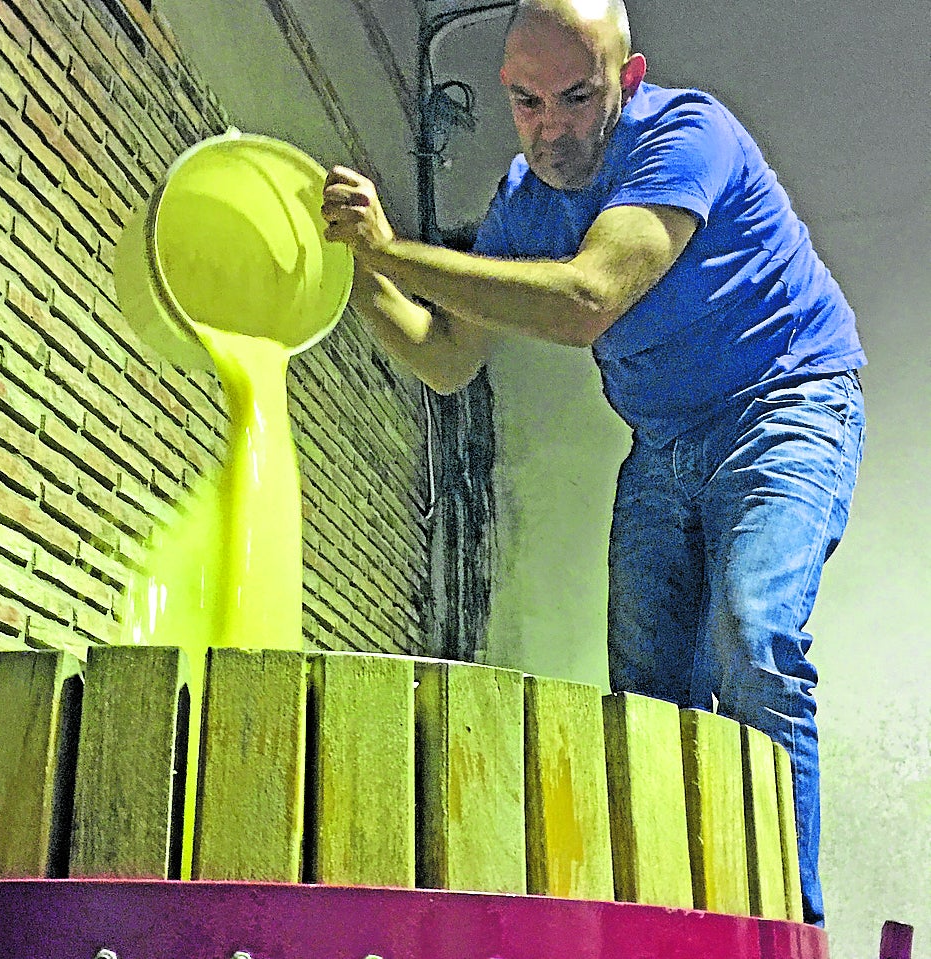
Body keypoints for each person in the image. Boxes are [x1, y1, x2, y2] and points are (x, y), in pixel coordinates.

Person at [321, 0, 865, 926]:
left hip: (787, 400)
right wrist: (360, 271)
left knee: (751, 635)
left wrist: (395, 251)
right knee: (644, 693)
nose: (552, 127)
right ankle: (665, 920)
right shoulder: (525, 201)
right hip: (661, 441)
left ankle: (788, 929)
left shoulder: (686, 135)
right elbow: (448, 359)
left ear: (629, 77)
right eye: (527, 103)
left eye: (576, 97)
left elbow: (586, 299)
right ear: (506, 94)